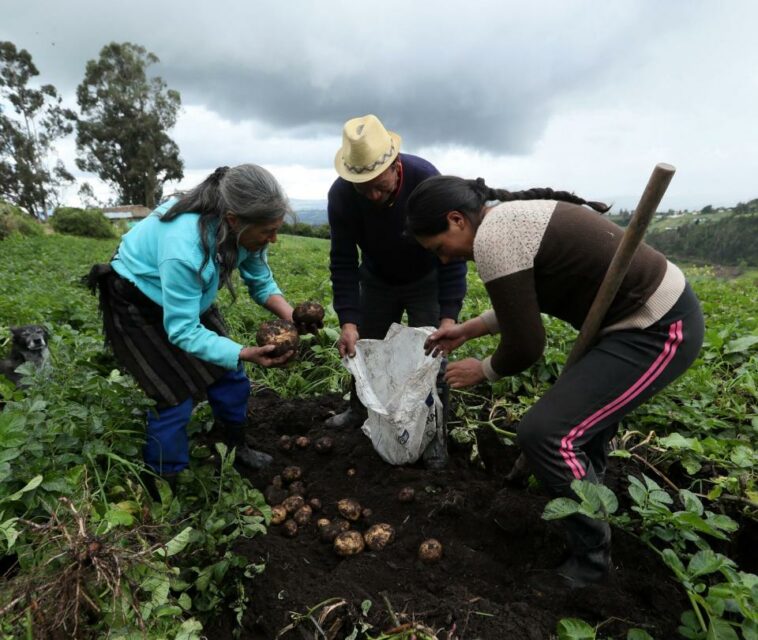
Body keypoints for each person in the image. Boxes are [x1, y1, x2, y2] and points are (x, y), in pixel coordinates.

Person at [406, 176, 704, 587]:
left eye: (440, 248)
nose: (444, 260)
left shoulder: (495, 238)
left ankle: (592, 561)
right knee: (580, 434)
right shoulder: (503, 223)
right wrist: (471, 328)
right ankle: (592, 500)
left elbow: (527, 345)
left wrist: (486, 369)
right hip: (627, 326)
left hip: (659, 328)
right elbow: (529, 299)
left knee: (546, 433)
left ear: (456, 220)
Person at [87, 164, 312, 485]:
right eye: (268, 231)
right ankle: (166, 481)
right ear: (234, 221)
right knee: (172, 398)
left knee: (230, 374)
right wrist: (246, 351)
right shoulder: (184, 250)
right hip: (137, 300)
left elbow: (261, 282)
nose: (273, 239)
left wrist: (294, 319)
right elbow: (182, 330)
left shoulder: (244, 233)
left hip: (188, 296)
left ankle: (236, 447)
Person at [327, 114, 467, 431]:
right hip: (377, 281)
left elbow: (454, 251)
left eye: (380, 187)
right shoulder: (341, 195)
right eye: (364, 190)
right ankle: (360, 413)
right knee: (365, 350)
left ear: (395, 165)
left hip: (427, 280)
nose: (374, 197)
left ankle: (434, 430)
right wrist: (348, 320)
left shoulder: (425, 181)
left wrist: (448, 316)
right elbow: (343, 260)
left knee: (432, 356)